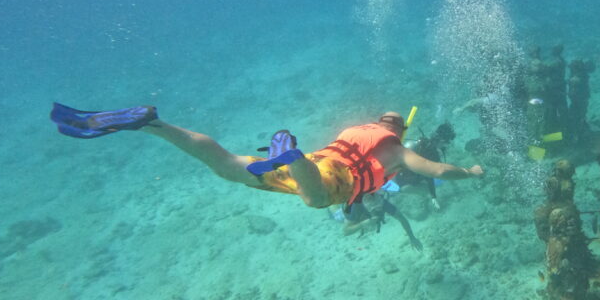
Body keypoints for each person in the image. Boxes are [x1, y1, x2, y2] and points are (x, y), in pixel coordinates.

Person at [49, 103, 483, 210]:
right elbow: (441, 169)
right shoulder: (398, 150)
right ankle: (290, 156)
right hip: (324, 176)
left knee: (228, 167)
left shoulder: (357, 128)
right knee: (314, 200)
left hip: (319, 159)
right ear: (399, 129)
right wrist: (471, 171)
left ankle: (152, 123)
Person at [394, 122, 457, 211]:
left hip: (400, 175)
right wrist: (433, 196)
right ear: (442, 141)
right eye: (447, 143)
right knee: (429, 188)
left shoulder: (419, 143)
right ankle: (426, 197)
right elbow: (429, 174)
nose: (446, 146)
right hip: (404, 183)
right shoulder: (433, 155)